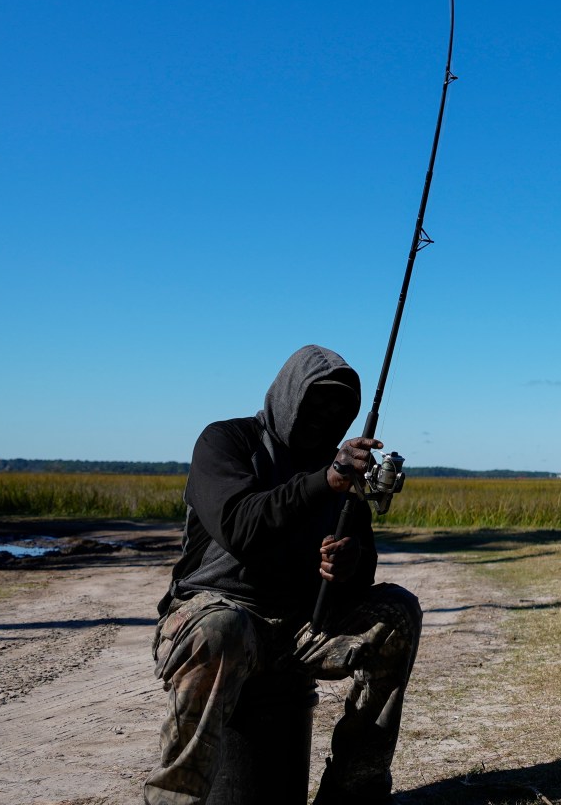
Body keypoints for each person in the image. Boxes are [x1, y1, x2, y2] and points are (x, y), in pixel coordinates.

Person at [145, 345, 422, 805]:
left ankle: (354, 792)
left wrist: (350, 565)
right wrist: (323, 483)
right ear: (288, 396)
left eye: (339, 407)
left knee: (397, 612)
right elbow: (240, 526)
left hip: (300, 629)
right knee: (220, 628)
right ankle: (176, 799)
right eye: (316, 401)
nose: (326, 415)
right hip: (215, 613)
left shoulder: (339, 467)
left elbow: (362, 563)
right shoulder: (225, 442)